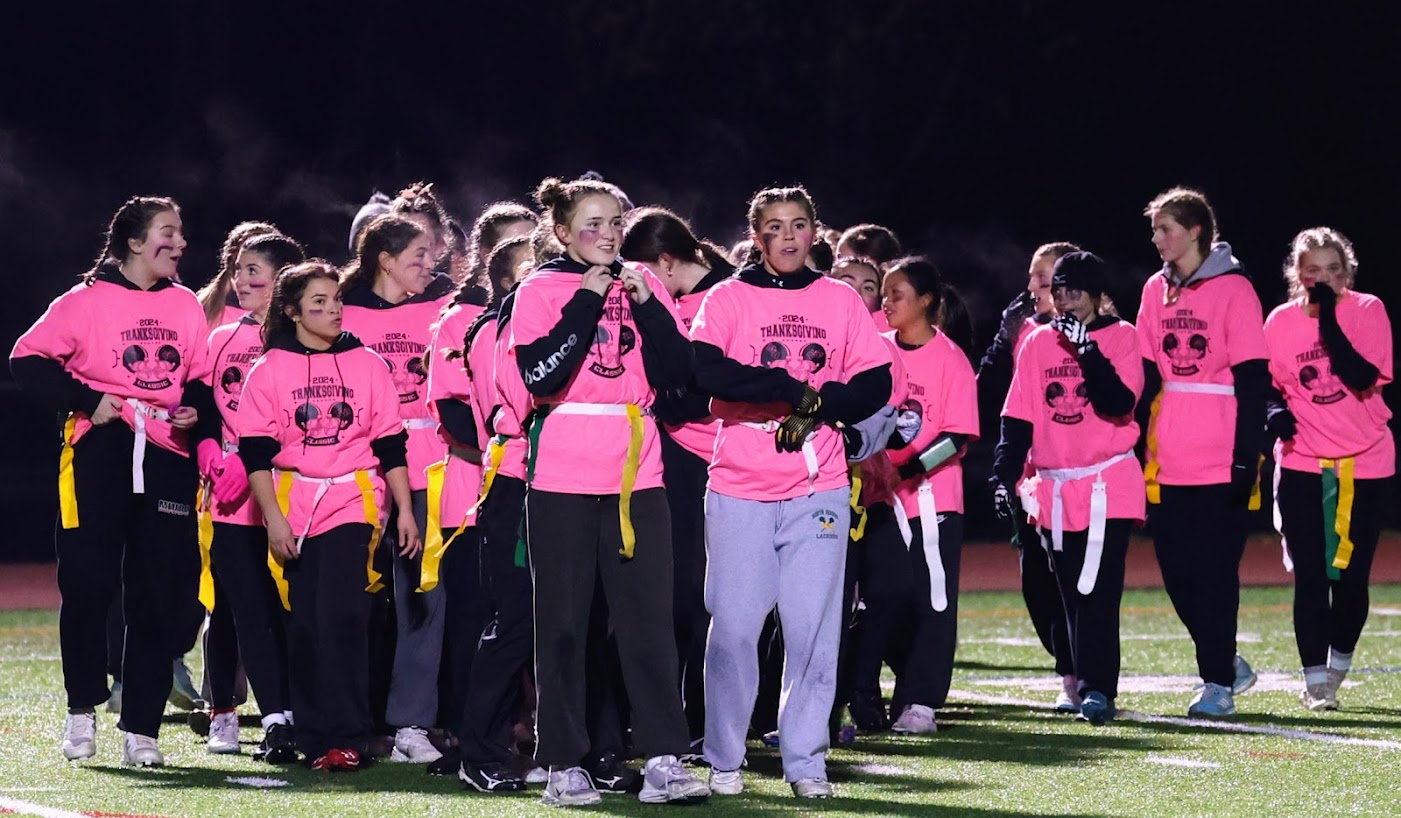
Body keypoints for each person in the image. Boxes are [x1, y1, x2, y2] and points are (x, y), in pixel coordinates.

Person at [508, 176, 708, 807]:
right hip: (561, 479)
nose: (607, 235)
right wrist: (585, 301)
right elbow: (541, 377)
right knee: (563, 626)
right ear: (562, 231)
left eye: (615, 223)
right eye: (591, 224)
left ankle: (664, 759)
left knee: (649, 623)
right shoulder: (539, 289)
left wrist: (647, 306)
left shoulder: (643, 283)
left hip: (636, 476)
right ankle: (562, 764)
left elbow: (681, 374)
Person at [689, 186, 892, 799]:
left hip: (817, 486)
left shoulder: (839, 299)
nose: (787, 236)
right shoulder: (728, 296)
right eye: (774, 226)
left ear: (813, 233)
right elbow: (706, 370)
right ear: (757, 237)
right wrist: (787, 391)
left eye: (798, 225)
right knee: (734, 629)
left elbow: (876, 383)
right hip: (740, 485)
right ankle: (725, 756)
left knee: (813, 631)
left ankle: (806, 760)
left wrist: (815, 409)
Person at [11, 196, 218, 766]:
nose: (179, 242)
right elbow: (26, 360)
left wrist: (194, 409)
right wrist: (86, 399)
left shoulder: (185, 303)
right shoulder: (83, 301)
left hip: (167, 457)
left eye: (181, 232)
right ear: (133, 242)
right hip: (99, 452)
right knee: (88, 585)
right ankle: (82, 710)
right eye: (167, 232)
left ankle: (142, 730)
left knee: (158, 592)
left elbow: (200, 379)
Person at [240, 260, 418, 771]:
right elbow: (255, 454)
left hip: (353, 498)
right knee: (305, 622)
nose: (334, 309)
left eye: (336, 299)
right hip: (293, 502)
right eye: (318, 302)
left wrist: (405, 510)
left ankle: (350, 734)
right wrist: (274, 520)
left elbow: (390, 443)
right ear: (293, 312)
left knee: (344, 614)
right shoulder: (269, 369)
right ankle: (315, 736)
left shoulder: (367, 363)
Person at [994, 251, 1145, 725]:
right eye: (1059, 292)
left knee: (1097, 589)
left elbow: (1119, 403)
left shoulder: (1123, 337)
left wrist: (1088, 351)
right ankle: (1080, 680)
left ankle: (1098, 688)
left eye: (1075, 291)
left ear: (1097, 295)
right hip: (1057, 489)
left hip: (1106, 483)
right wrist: (1003, 475)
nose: (1065, 301)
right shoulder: (1038, 342)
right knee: (1068, 595)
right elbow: (1018, 416)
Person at [1136, 187, 1267, 717]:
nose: (1157, 238)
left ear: (1195, 231)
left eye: (1165, 228)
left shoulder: (1236, 289)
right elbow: (1147, 375)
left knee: (1214, 576)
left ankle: (1216, 683)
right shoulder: (1154, 289)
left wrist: (1246, 458)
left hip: (1221, 456)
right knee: (1176, 574)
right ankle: (1226, 661)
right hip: (1168, 458)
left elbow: (1253, 382)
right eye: (1155, 229)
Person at [620, 206, 735, 753]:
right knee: (682, 595)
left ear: (665, 262)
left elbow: (703, 383)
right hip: (683, 458)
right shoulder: (683, 299)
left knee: (715, 598)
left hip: (726, 460)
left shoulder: (730, 296)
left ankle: (716, 718)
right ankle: (686, 721)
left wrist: (670, 399)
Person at [341, 213, 455, 763]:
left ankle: (412, 723)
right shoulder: (344, 315)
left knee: (423, 600)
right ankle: (348, 720)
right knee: (355, 603)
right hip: (358, 477)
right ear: (385, 261)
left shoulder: (442, 308)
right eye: (419, 255)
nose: (431, 264)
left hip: (428, 472)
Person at [1263, 227, 1392, 711]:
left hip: (1365, 462)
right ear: (1297, 275)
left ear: (1347, 273)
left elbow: (1360, 375)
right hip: (1304, 462)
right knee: (1312, 576)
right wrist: (1274, 412)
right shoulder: (1279, 322)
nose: (1324, 280)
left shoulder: (1368, 310)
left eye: (1333, 270)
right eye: (1313, 271)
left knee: (1351, 579)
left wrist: (1329, 317)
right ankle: (1316, 679)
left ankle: (1339, 662)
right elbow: (1268, 385)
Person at [198, 233, 304, 760]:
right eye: (239, 269)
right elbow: (203, 399)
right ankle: (223, 711)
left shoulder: (302, 341)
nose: (241, 280)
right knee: (230, 603)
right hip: (230, 494)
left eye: (254, 270)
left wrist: (253, 457)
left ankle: (288, 712)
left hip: (287, 486)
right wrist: (208, 446)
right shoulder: (221, 337)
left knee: (286, 605)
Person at [868, 256, 978, 734]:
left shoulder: (951, 359)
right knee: (885, 597)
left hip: (933, 500)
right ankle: (873, 691)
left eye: (897, 294)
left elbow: (957, 437)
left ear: (927, 301)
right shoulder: (876, 347)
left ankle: (920, 702)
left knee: (934, 601)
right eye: (885, 293)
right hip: (879, 500)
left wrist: (904, 469)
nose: (886, 302)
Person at [976, 241, 1081, 710]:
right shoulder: (1026, 334)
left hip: (1079, 474)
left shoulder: (1099, 331)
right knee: (1036, 583)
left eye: (1045, 278)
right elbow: (985, 398)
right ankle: (1071, 667)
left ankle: (1079, 676)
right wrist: (1003, 345)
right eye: (1033, 277)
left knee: (1073, 579)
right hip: (1030, 476)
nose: (1034, 287)